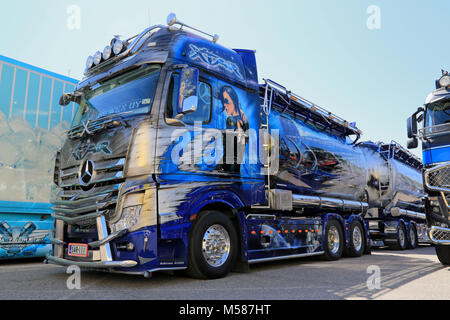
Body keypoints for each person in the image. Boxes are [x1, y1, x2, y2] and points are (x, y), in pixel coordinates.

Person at [218, 86, 249, 173]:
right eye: (223, 101)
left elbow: (230, 151)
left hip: (229, 170)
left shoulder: (231, 120)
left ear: (234, 100)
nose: (224, 104)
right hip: (234, 171)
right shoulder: (243, 119)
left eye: (226, 101)